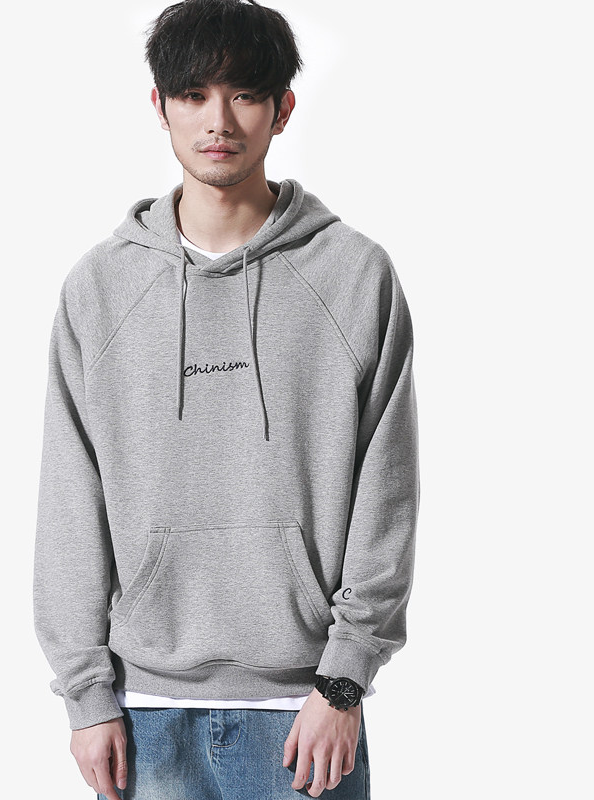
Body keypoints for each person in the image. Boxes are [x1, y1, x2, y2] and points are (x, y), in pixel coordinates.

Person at [33, 1, 420, 797]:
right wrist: (85, 695)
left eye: (244, 94)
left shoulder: (354, 276)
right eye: (193, 94)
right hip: (140, 720)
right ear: (160, 106)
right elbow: (70, 499)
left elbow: (388, 494)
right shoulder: (100, 289)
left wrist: (343, 682)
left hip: (307, 717)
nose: (218, 120)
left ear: (283, 109)